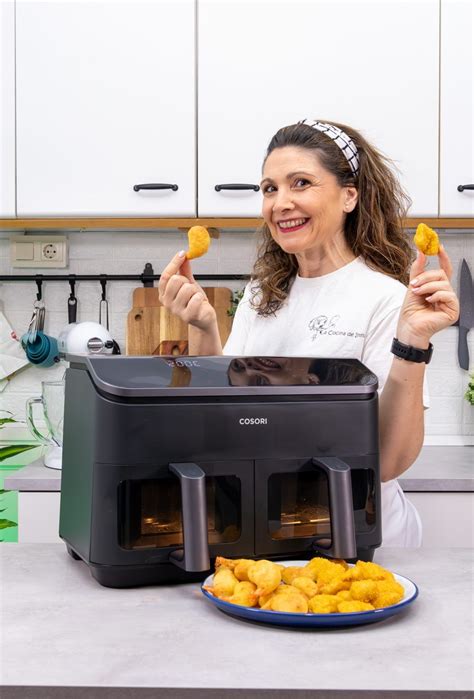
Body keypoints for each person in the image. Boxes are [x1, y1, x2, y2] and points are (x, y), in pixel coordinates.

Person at [158, 119, 459, 547]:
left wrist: (413, 340)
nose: (280, 202)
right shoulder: (263, 295)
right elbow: (221, 418)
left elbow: (388, 461)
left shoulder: (387, 299)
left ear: (349, 196)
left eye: (300, 183)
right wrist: (203, 328)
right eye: (269, 188)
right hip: (268, 529)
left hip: (358, 535)